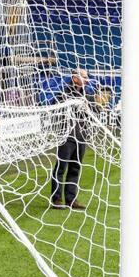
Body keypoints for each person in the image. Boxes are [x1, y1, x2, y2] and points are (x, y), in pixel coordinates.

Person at [50, 69, 92, 211]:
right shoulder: (64, 94)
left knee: (75, 168)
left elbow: (94, 112)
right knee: (61, 168)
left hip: (81, 137)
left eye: (87, 77)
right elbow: (54, 106)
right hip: (67, 136)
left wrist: (89, 107)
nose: (87, 80)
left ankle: (71, 199)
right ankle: (56, 199)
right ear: (74, 78)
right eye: (84, 77)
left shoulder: (86, 95)